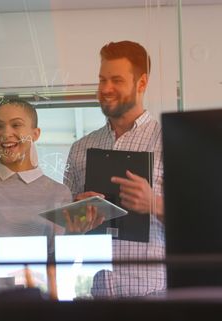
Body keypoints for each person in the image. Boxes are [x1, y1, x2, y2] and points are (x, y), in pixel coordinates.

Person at [64, 41, 165, 298]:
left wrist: (154, 203)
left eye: (116, 80)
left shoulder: (170, 143)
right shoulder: (80, 148)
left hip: (153, 295)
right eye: (102, 80)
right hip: (96, 292)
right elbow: (66, 231)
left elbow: (200, 224)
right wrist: (76, 215)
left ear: (141, 83)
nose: (105, 89)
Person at [0, 99, 76, 268]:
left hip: (34, 291)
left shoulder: (58, 193)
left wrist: (75, 233)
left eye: (16, 125)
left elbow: (61, 261)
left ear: (36, 134)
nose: (5, 133)